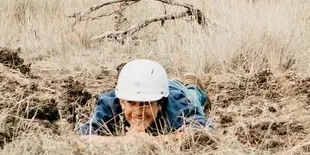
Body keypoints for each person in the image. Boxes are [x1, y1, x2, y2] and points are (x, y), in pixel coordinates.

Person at [77, 59, 211, 140]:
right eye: (131, 103)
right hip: (158, 86)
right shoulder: (110, 103)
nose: (137, 112)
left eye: (145, 104)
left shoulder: (178, 104)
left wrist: (153, 141)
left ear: (160, 104)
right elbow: (84, 137)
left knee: (194, 96)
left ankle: (191, 84)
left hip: (177, 91)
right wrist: (127, 142)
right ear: (122, 102)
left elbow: (202, 133)